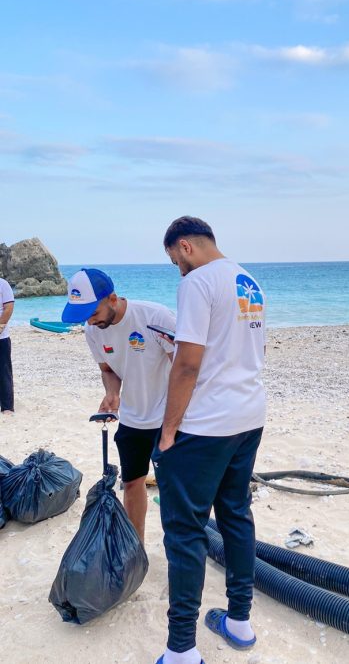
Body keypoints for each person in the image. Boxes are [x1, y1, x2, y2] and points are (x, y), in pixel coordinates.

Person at [154, 217, 266, 664]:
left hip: (205, 427)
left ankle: (181, 649)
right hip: (249, 415)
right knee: (236, 516)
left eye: (173, 260)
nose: (176, 269)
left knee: (184, 532)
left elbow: (186, 364)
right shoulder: (248, 279)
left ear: (185, 247)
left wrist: (167, 430)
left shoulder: (198, 281)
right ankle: (239, 621)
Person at [62, 268, 176, 544]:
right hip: (133, 420)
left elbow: (185, 366)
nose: (89, 320)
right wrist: (113, 393)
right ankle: (135, 547)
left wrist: (180, 417)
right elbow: (107, 369)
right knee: (133, 483)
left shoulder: (155, 317)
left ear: (112, 298)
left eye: (93, 311)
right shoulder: (93, 331)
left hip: (168, 419)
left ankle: (179, 549)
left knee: (175, 489)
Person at [0, 277, 15, 415]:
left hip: (1, 337)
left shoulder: (3, 284)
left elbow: (9, 307)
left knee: (3, 372)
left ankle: (7, 407)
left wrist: (0, 327)